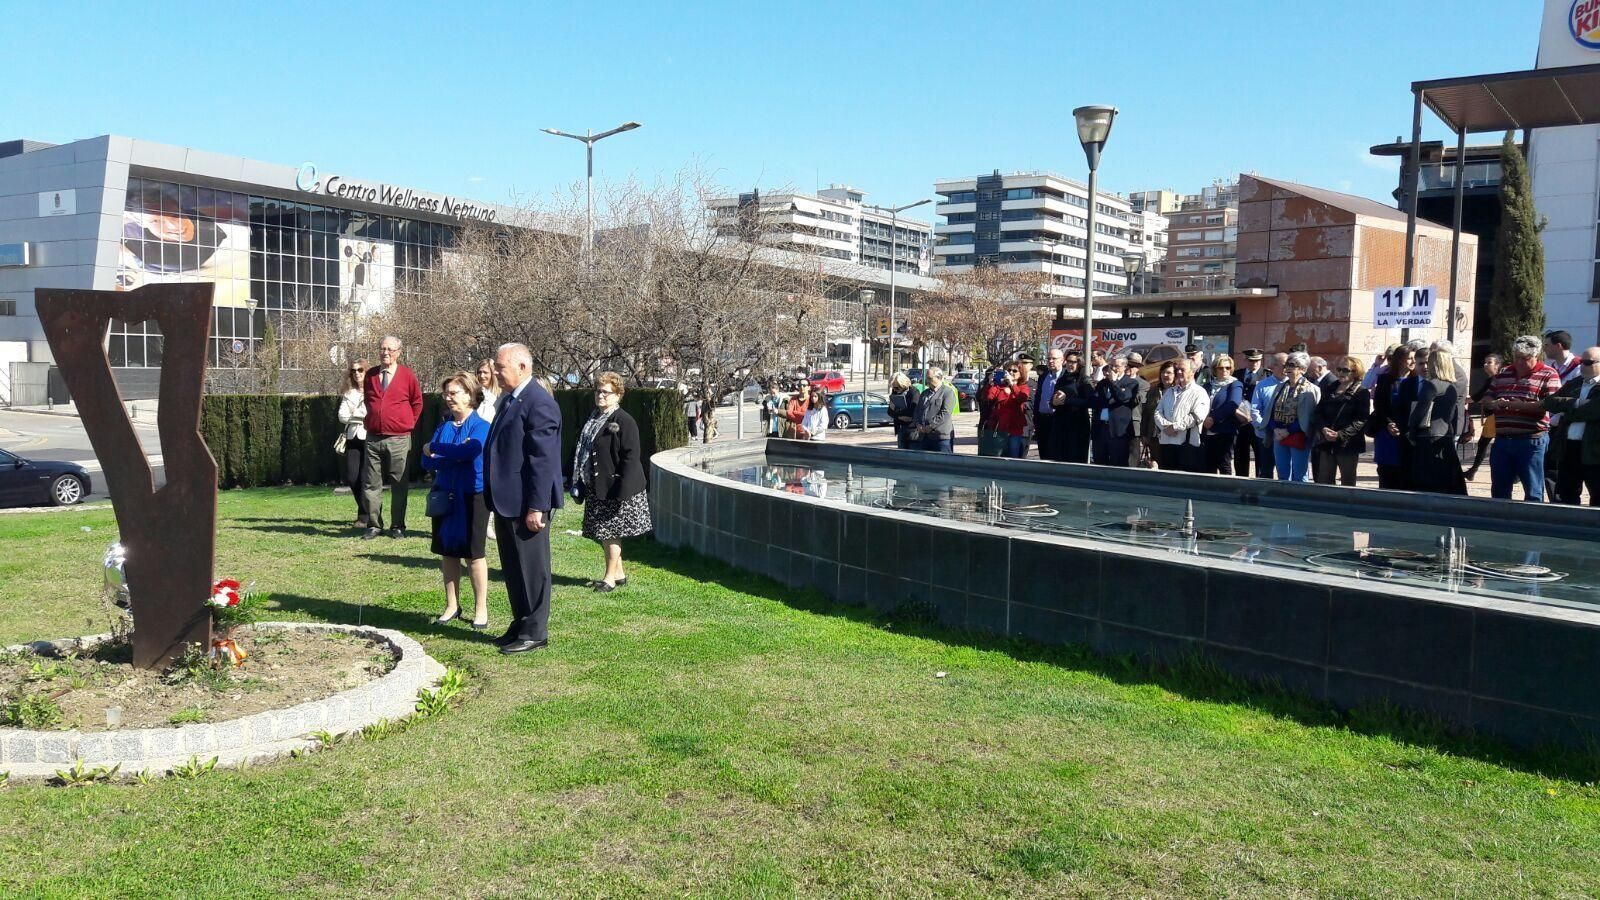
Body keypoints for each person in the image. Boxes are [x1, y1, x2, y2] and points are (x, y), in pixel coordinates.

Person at [482, 343, 563, 654]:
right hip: (506, 501)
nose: (496, 372)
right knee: (514, 568)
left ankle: (535, 631)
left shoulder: (539, 403)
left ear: (522, 367)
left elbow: (542, 460)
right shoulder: (509, 399)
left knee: (532, 569)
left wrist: (537, 506)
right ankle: (520, 624)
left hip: (526, 503)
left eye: (501, 367)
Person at [421, 372, 492, 628]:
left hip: (473, 496)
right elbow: (426, 461)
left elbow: (470, 451)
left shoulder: (481, 426)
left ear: (470, 395)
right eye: (446, 394)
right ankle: (452, 605)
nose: (448, 398)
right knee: (447, 552)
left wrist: (436, 449)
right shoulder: (444, 427)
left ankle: (481, 608)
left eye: (454, 393)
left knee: (474, 554)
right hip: (444, 495)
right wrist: (452, 455)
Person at [572, 372, 651, 591]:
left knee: (611, 533)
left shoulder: (624, 420)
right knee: (605, 533)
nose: (600, 395)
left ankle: (609, 579)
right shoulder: (594, 418)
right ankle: (619, 573)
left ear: (618, 395)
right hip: (598, 486)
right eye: (598, 391)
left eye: (605, 392)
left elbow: (631, 457)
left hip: (617, 488)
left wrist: (621, 490)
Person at [1484, 335, 1563, 502]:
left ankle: (1533, 518)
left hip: (1531, 441)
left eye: (1524, 358)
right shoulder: (1504, 373)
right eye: (1516, 357)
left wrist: (1521, 406)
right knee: (1499, 489)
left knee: (1533, 490)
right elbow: (1488, 396)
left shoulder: (1549, 374)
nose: (1519, 362)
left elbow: (1553, 404)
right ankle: (1500, 516)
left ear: (1536, 356)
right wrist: (1493, 403)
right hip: (1502, 440)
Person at [361, 335, 423, 540]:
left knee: (399, 484)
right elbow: (369, 401)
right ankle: (374, 525)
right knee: (371, 484)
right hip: (373, 438)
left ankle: (397, 526)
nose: (385, 352)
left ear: (398, 352)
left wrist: (408, 423)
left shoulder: (407, 375)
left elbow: (417, 402)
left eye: (390, 349)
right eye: (382, 348)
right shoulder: (370, 375)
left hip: (399, 439)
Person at [1544, 347, 1600, 506]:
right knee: (1566, 495)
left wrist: (1568, 411)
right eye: (1581, 361)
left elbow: (1594, 410)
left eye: (1588, 362)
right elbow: (1550, 402)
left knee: (1597, 495)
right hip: (1569, 447)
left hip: (1594, 450)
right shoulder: (1575, 383)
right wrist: (1575, 404)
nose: (1582, 365)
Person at [1408, 348, 1467, 495]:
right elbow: (1452, 414)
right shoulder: (1452, 387)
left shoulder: (1431, 384)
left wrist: (1411, 432)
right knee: (1447, 480)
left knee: (1427, 481)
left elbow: (1420, 411)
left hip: (1428, 436)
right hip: (1445, 435)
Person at [1310, 355, 1370, 486]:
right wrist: (1323, 429)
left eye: (1345, 370)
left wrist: (1340, 435)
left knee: (1347, 482)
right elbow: (1318, 412)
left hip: (1348, 444)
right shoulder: (1330, 387)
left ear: (1355, 372)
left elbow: (1361, 419)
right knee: (1324, 480)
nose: (1341, 373)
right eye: (1339, 369)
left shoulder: (1362, 392)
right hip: (1327, 442)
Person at [1367, 344, 1418, 490]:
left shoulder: (1417, 382)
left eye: (1414, 358)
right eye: (1410, 358)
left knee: (1405, 475)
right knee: (1386, 474)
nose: (1413, 362)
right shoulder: (1384, 380)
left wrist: (1401, 426)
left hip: (1407, 434)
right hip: (1386, 433)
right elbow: (1379, 405)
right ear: (1400, 360)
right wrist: (1388, 424)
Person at [1268, 351, 1320, 483]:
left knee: (1299, 475)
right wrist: (1275, 429)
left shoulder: (1310, 389)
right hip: (1279, 434)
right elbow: (1271, 411)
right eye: (1287, 365)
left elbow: (1309, 416)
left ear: (1303, 369)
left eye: (1292, 365)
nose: (1288, 368)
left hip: (1298, 435)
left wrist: (1288, 430)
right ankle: (1284, 495)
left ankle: (1300, 496)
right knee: (1282, 473)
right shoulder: (1280, 387)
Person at [1154, 360, 1208, 471]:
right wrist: (1165, 426)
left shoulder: (1199, 392)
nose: (1178, 372)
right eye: (1177, 369)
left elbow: (1197, 416)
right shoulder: (1170, 391)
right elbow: (1158, 412)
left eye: (1182, 370)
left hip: (1186, 445)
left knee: (1184, 479)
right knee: (1167, 477)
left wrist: (1174, 427)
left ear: (1192, 372)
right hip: (1166, 442)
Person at [337, 359, 371, 529]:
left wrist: (354, 416)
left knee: (366, 479)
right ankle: (367, 511)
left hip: (369, 438)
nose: (357, 373)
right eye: (353, 371)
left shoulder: (373, 391)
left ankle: (365, 516)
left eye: (360, 370)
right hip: (352, 438)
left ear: (366, 371)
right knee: (352, 478)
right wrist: (360, 417)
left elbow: (372, 414)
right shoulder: (349, 393)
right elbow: (342, 416)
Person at [1198, 354, 1243, 475]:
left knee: (1224, 464)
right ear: (1215, 369)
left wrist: (1213, 418)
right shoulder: (1207, 386)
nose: (1224, 370)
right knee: (1208, 465)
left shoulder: (1235, 384)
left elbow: (1233, 404)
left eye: (1227, 367)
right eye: (1221, 368)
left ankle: (1227, 488)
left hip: (1225, 430)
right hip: (1207, 431)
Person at [1049, 350, 1095, 463]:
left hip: (1077, 424)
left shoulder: (1084, 380)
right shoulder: (1062, 379)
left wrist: (1067, 400)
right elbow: (1053, 401)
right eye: (1068, 361)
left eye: (1074, 362)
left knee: (1075, 458)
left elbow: (1090, 401)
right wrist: (1054, 402)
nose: (1070, 364)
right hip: (1060, 423)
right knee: (1058, 457)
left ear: (1080, 363)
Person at [1245, 352, 1285, 479]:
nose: (1287, 368)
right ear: (1274, 366)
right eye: (1284, 365)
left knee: (1285, 470)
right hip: (1265, 435)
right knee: (1266, 470)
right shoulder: (1262, 385)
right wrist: (1265, 427)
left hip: (1286, 434)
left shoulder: (1293, 385)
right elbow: (1255, 410)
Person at [984, 363, 1031, 458]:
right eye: (1009, 370)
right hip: (1000, 427)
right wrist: (990, 383)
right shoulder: (1000, 386)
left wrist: (1012, 385)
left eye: (1014, 371)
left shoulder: (1023, 387)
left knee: (1013, 455)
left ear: (1021, 374)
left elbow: (1022, 398)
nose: (1011, 372)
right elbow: (989, 397)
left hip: (1014, 427)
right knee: (998, 455)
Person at [1233, 349, 1267, 476]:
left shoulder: (1266, 375)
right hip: (1240, 420)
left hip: (1257, 421)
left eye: (1257, 361)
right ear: (1245, 360)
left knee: (1260, 454)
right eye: (1251, 361)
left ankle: (1259, 481)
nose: (1255, 363)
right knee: (1240, 453)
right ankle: (1241, 480)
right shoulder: (1237, 374)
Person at [911, 367, 957, 452]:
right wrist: (918, 424)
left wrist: (931, 426)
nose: (927, 381)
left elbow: (945, 413)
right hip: (924, 436)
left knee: (943, 459)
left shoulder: (947, 392)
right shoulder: (924, 393)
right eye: (926, 378)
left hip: (941, 437)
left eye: (930, 378)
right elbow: (917, 410)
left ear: (939, 378)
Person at [1140, 360, 1174, 468]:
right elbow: (1146, 413)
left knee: (1169, 464)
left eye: (1169, 373)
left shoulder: (1178, 392)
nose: (1165, 375)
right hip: (1154, 435)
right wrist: (1144, 434)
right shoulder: (1153, 391)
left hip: (1172, 434)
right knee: (1156, 462)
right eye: (1163, 372)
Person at [1032, 349, 1063, 460]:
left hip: (1058, 420)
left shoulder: (1065, 376)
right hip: (1042, 420)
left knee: (1056, 454)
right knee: (1044, 454)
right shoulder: (1043, 376)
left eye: (1054, 358)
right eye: (1048, 358)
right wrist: (1036, 417)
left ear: (1062, 360)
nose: (1050, 361)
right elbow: (1038, 397)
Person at [888, 373, 918, 450]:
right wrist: (899, 416)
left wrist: (897, 412)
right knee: (901, 452)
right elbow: (890, 412)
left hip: (912, 429)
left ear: (903, 384)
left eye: (896, 388)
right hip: (900, 427)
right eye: (893, 388)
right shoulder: (895, 392)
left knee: (912, 452)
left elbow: (912, 411)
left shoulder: (913, 392)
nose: (894, 390)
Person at [474, 358, 501, 424]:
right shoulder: (474, 395)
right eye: (479, 372)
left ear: (493, 374)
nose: (482, 376)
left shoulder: (502, 395)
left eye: (485, 372)